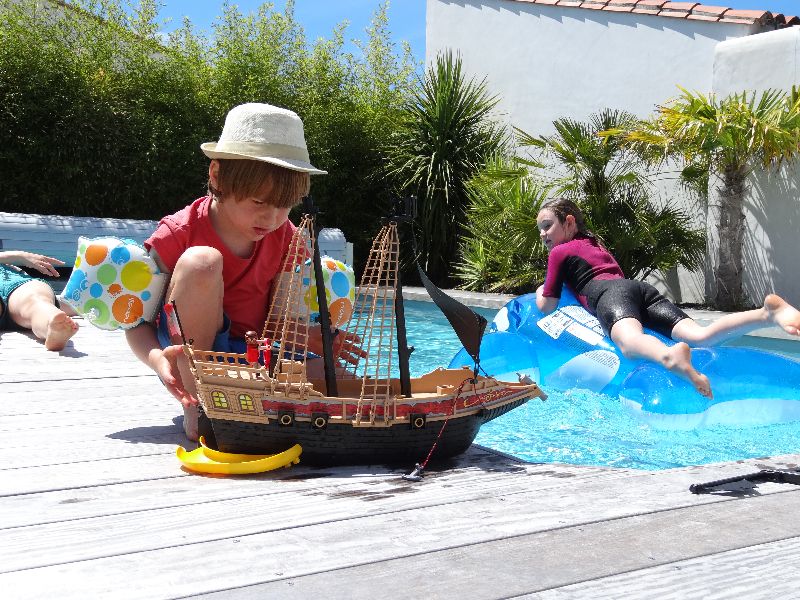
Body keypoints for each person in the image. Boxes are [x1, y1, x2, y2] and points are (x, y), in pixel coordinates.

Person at [126, 102, 362, 441]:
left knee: (343, 384)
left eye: (285, 205)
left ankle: (249, 395)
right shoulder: (178, 233)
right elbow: (137, 323)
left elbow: (278, 321)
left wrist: (307, 337)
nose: (272, 218)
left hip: (253, 353)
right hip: (193, 356)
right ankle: (200, 405)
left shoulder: (289, 239)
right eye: (259, 202)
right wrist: (156, 360)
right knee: (202, 262)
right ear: (217, 176)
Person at [535, 197, 800, 398]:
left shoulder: (559, 252)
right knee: (700, 336)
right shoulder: (595, 244)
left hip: (609, 294)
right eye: (540, 229)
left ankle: (669, 356)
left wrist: (540, 291)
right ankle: (767, 314)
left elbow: (548, 305)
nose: (543, 234)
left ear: (569, 222)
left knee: (629, 343)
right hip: (639, 290)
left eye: (547, 226)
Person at [0, 251, 79, 351]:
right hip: (11, 281)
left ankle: (53, 328)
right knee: (35, 301)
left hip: (13, 283)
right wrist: (20, 256)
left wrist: (21, 256)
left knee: (36, 302)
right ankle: (52, 323)